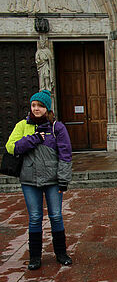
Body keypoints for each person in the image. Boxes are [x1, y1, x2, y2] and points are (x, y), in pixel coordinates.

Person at [5, 89, 73, 270]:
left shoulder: (57, 127)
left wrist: (63, 179)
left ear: (47, 108)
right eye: (34, 105)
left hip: (52, 180)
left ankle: (61, 253)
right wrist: (31, 140)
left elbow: (65, 155)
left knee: (56, 216)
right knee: (34, 217)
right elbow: (11, 147)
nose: (36, 108)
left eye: (40, 106)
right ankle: (35, 256)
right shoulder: (22, 125)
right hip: (29, 180)